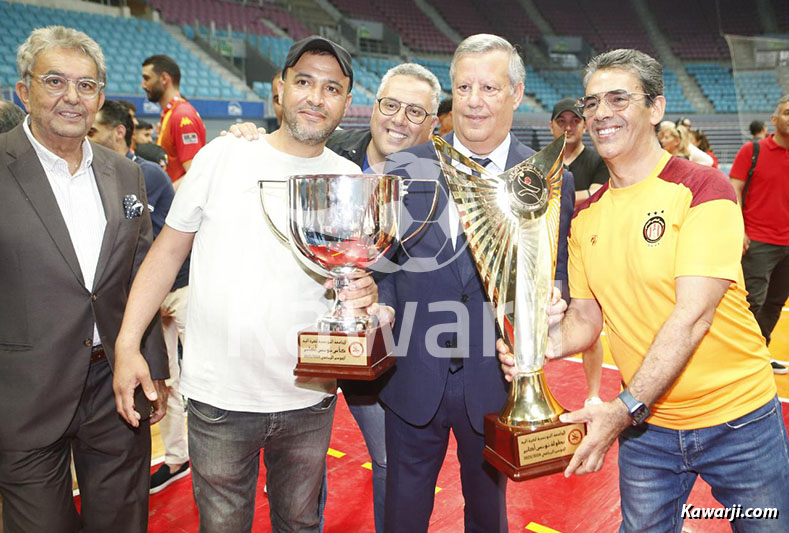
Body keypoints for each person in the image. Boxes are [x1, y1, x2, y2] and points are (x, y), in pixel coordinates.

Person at [500, 48, 789, 532]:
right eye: (592, 103)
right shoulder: (585, 217)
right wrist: (537, 347)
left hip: (737, 422)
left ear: (655, 109)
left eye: (618, 98)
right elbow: (587, 319)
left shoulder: (703, 188)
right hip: (648, 430)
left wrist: (624, 408)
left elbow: (693, 316)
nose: (600, 114)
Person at [113, 36, 386, 532]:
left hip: (310, 396)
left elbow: (354, 276)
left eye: (332, 88)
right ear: (279, 89)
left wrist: (365, 295)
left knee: (300, 524)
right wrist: (128, 342)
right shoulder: (223, 156)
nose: (315, 97)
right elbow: (165, 254)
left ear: (347, 103)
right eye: (303, 81)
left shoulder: (349, 178)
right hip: (220, 397)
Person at [227, 61, 441, 533]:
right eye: (390, 105)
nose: (399, 119)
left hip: (387, 350)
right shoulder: (327, 156)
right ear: (372, 107)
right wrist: (247, 136)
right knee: (302, 467)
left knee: (388, 460)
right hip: (307, 336)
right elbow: (273, 155)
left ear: (433, 123)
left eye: (416, 111)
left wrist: (384, 303)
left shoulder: (439, 182)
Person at [378, 34, 575, 532]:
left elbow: (558, 275)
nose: (473, 100)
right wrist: (377, 306)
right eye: (463, 86)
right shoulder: (404, 169)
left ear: (516, 92)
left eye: (488, 87)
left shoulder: (548, 177)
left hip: (496, 384)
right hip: (412, 376)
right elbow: (381, 267)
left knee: (489, 517)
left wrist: (554, 301)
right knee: (401, 514)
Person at [0, 26, 167, 532]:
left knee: (122, 521)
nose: (72, 97)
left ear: (100, 97)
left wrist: (151, 362)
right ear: (24, 90)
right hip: (24, 393)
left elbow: (141, 272)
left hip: (115, 385)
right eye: (55, 81)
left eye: (87, 85)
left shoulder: (126, 173)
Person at [87, 99, 193, 491]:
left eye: (95, 129)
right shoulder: (92, 176)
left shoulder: (151, 175)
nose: (89, 135)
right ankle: (178, 457)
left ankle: (214, 454)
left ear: (117, 130)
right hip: (140, 304)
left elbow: (166, 245)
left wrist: (164, 292)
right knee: (163, 383)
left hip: (180, 292)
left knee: (193, 382)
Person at [548, 97, 606, 406]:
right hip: (551, 253)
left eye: (574, 121)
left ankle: (594, 393)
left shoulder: (596, 159)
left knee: (590, 326)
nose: (568, 127)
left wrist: (564, 192)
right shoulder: (542, 161)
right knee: (544, 322)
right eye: (561, 122)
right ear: (552, 126)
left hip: (587, 250)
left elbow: (597, 198)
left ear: (583, 125)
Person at [730, 95, 789, 375]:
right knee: (752, 302)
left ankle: (758, 354)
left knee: (776, 302)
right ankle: (739, 359)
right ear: (774, 120)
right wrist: (739, 229)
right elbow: (735, 190)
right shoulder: (752, 151)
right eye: (787, 112)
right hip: (758, 241)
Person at [141, 54, 206, 186]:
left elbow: (195, 175)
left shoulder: (182, 116)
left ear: (164, 78)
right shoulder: (170, 114)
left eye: (147, 78)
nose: (143, 85)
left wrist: (163, 196)